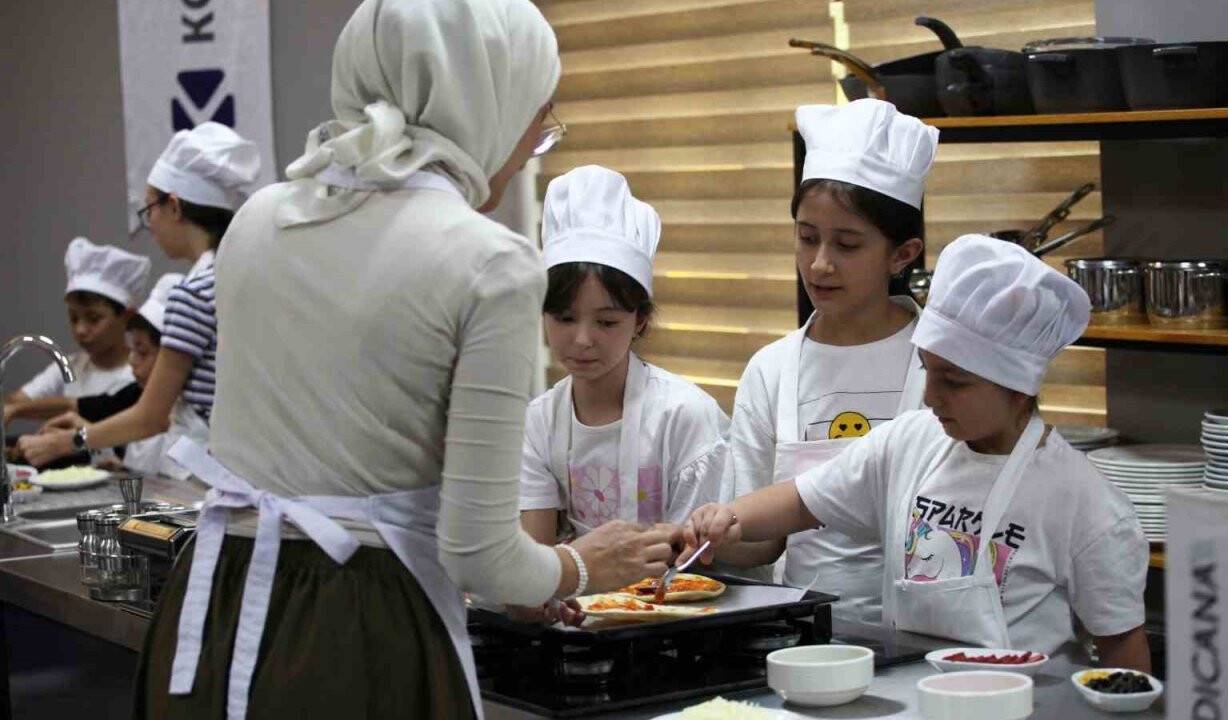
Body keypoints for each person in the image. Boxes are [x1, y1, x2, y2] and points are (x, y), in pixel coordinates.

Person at [132, 2, 674, 718]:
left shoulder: (260, 219)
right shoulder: (489, 262)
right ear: (485, 99)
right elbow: (480, 553)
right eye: (537, 120)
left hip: (218, 606)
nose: (529, 145)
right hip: (358, 625)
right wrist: (581, 565)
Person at [683, 235, 1151, 669]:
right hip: (912, 693)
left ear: (1017, 387)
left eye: (955, 382)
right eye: (927, 370)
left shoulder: (1085, 504)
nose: (930, 396)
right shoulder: (911, 442)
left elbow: (1122, 653)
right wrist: (730, 518)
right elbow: (802, 501)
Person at [722, 100, 937, 634]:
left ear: (902, 253)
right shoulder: (772, 370)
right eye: (806, 236)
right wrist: (710, 537)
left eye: (846, 244)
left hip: (924, 637)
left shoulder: (941, 367)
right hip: (801, 639)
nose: (819, 263)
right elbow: (758, 545)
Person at [17, 123, 259, 472]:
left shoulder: (192, 295)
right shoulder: (244, 276)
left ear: (174, 207)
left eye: (149, 211)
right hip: (252, 470)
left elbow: (152, 416)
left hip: (211, 476)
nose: (151, 225)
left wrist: (68, 442)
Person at [521, 165, 729, 543]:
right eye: (565, 318)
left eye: (606, 322)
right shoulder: (538, 423)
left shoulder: (684, 417)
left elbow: (698, 559)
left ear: (639, 322)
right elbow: (535, 564)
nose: (582, 339)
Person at [40, 274, 184, 475]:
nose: (132, 360)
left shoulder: (189, 419)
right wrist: (113, 459)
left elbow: (175, 477)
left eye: (142, 352)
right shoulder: (151, 400)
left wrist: (73, 441)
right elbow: (145, 466)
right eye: (73, 318)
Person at [4, 237, 150, 423]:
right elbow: (16, 400)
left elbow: (77, 406)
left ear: (127, 317)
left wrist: (16, 409)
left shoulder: (138, 374)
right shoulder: (70, 366)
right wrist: (10, 407)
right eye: (74, 318)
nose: (80, 330)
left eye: (94, 319)